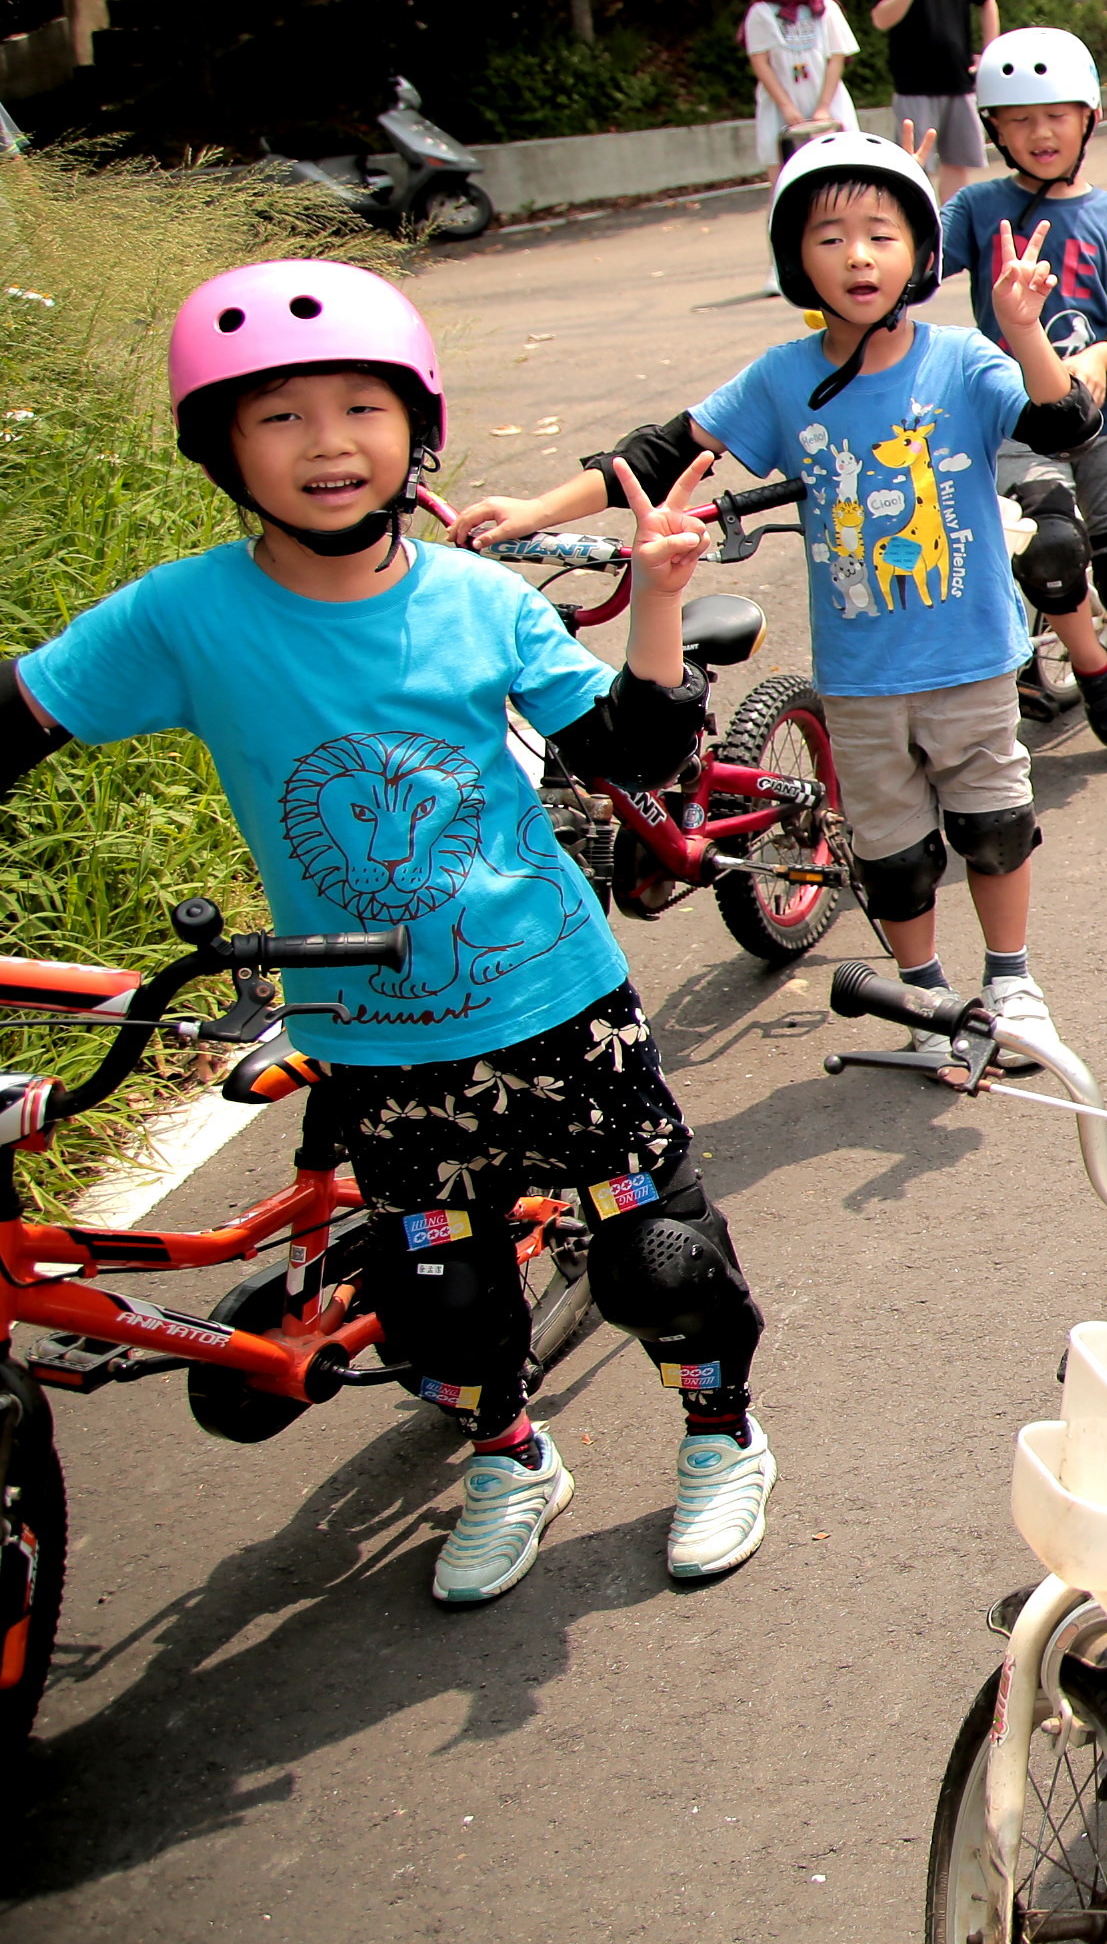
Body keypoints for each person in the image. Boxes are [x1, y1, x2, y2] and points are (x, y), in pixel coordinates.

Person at [10, 262, 772, 1604]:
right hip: (367, 1031)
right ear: (222, 447)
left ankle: (720, 1436)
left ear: (410, 430)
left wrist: (658, 597)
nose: (324, 445)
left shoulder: (479, 601)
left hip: (555, 1006)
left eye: (358, 408)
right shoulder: (183, 618)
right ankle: (509, 1452)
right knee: (442, 1298)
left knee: (660, 1258)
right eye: (279, 417)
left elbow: (636, 748)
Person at [459, 134, 1103, 1087]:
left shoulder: (965, 360)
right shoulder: (780, 378)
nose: (856, 256)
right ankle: (924, 995)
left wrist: (1023, 330)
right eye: (829, 236)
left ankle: (1010, 983)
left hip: (970, 659)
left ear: (919, 253)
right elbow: (660, 452)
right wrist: (531, 513)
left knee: (996, 824)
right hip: (862, 677)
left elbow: (1062, 424)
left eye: (881, 234)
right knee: (894, 856)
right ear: (793, 258)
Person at [942, 26, 1107, 764]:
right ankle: (1092, 672)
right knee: (1051, 548)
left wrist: (1098, 355)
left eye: (1055, 114)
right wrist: (898, 195)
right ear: (993, 128)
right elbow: (907, 269)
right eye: (1019, 119)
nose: (1040, 133)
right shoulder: (976, 208)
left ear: (1088, 117)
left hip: (1105, 423)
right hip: (1012, 423)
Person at [868, 0, 1000, 200]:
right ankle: (923, 229)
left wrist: (988, 52)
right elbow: (881, 19)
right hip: (914, 85)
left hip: (957, 81)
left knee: (958, 163)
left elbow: (986, 2)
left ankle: (951, 232)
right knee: (915, 166)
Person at [742, 0, 859, 156]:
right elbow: (760, 63)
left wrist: (823, 107)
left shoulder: (826, 8)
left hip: (827, 102)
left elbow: (837, 58)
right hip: (780, 106)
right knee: (781, 168)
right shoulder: (760, 11)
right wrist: (786, 106)